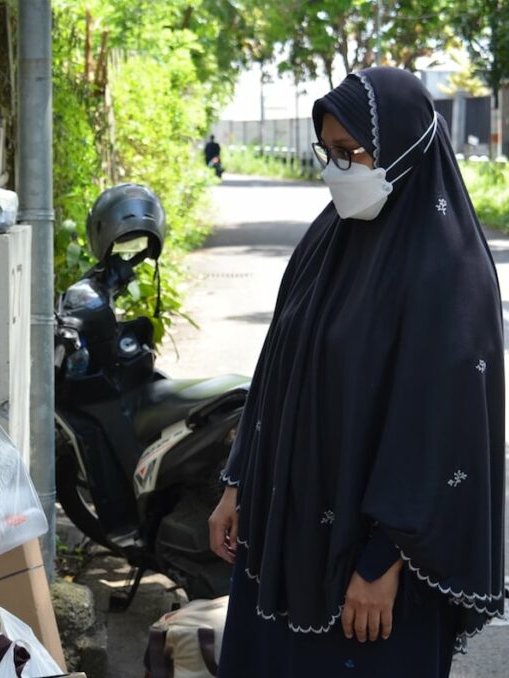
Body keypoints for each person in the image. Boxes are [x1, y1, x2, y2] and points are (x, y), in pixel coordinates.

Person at [208, 67, 504, 678]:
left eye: (352, 153)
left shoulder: (449, 271)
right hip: (286, 537)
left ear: (407, 147)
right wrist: (238, 483)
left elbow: (442, 434)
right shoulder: (328, 238)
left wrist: (380, 564)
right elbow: (277, 368)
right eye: (329, 153)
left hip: (375, 576)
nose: (338, 170)